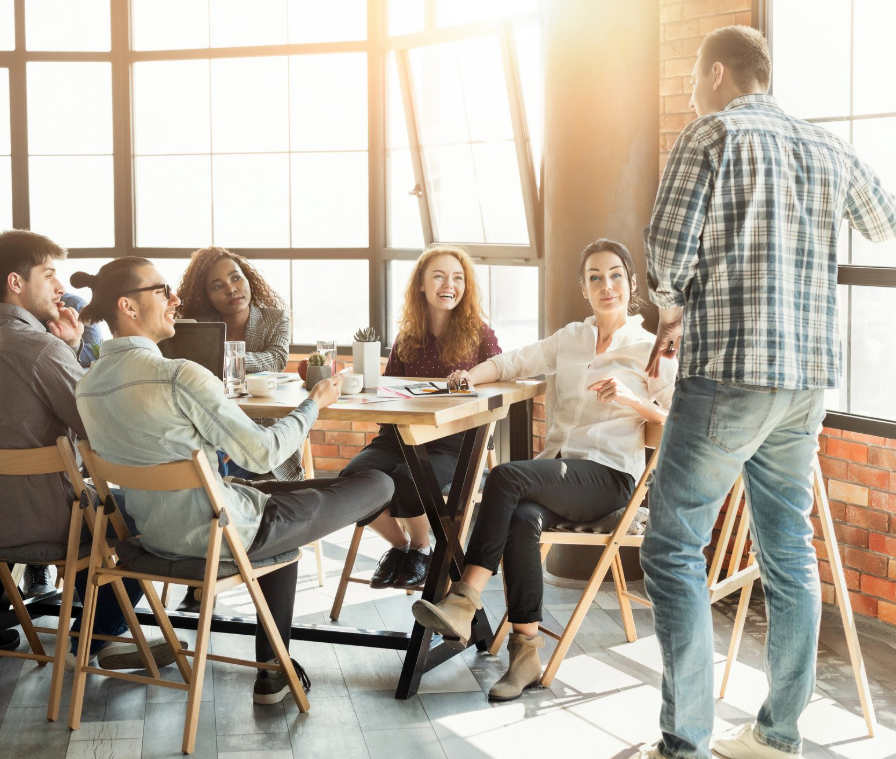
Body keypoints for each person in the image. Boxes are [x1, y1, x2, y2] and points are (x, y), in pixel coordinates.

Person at [635, 26, 896, 759]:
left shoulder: (710, 134)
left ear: (718, 73)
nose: (691, 91)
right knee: (789, 546)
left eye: (694, 77)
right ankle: (779, 735)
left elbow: (665, 251)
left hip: (729, 374)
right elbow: (884, 220)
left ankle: (684, 738)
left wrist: (674, 302)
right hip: (805, 381)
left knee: (674, 544)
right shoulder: (827, 145)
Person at [73, 257, 394, 703]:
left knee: (288, 510)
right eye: (163, 291)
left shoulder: (87, 384)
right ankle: (274, 665)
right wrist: (315, 404)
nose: (175, 299)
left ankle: (274, 672)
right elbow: (263, 452)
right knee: (378, 483)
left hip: (153, 538)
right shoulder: (178, 375)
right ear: (128, 306)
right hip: (224, 535)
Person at [411, 239, 676, 701]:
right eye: (594, 276)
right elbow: (515, 361)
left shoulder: (650, 348)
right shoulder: (571, 337)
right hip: (560, 473)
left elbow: (676, 421)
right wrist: (469, 377)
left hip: (610, 479)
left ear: (631, 284)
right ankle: (525, 652)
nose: (606, 285)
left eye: (615, 275)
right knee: (521, 519)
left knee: (506, 477)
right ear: (584, 287)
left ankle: (464, 596)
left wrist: (634, 401)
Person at [0, 229, 179, 669]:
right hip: (45, 520)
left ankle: (94, 625)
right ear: (15, 283)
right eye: (49, 274)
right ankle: (98, 634)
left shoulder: (38, 346)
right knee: (155, 508)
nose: (61, 288)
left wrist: (72, 348)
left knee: (102, 506)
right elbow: (103, 427)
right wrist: (76, 349)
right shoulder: (37, 349)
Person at [341, 245, 501, 590]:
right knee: (350, 481)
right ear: (421, 286)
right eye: (439, 276)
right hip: (399, 436)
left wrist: (472, 380)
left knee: (408, 481)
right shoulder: (407, 337)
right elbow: (387, 390)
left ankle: (423, 548)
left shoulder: (481, 334)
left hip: (453, 442)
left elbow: (500, 379)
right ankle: (405, 548)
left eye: (458, 277)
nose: (450, 284)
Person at [176, 246, 296, 482]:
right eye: (218, 286)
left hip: (261, 434)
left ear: (247, 278)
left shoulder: (276, 318)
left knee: (215, 474)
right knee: (200, 469)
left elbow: (277, 359)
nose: (231, 289)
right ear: (207, 296)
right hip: (211, 434)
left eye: (235, 277)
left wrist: (227, 358)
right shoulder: (199, 325)